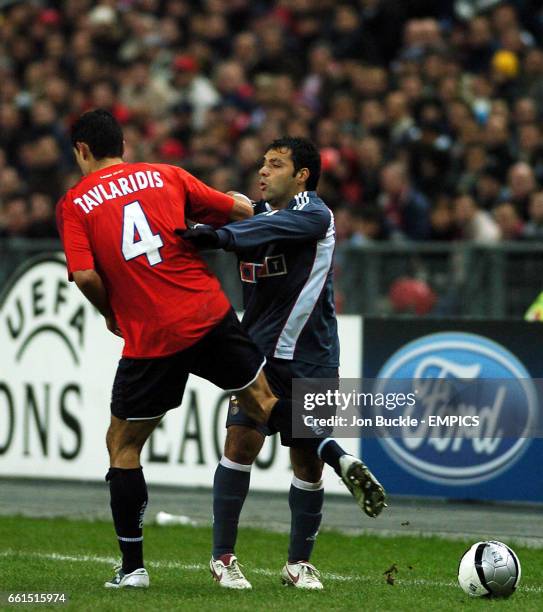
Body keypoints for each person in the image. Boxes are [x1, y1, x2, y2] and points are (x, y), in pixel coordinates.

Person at [56, 109, 285, 590]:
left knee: (123, 446)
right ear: (122, 144)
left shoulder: (76, 203)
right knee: (264, 402)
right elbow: (239, 211)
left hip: (151, 339)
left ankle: (134, 569)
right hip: (206, 315)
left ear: (82, 151)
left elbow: (84, 274)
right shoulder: (166, 175)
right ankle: (332, 452)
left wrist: (108, 313)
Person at [182, 137, 387, 590]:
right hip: (257, 355)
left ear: (302, 176)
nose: (263, 171)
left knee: (304, 462)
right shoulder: (253, 214)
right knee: (240, 444)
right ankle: (223, 558)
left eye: (276, 165)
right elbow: (233, 209)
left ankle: (298, 564)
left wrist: (218, 236)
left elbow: (265, 230)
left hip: (314, 357)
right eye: (262, 163)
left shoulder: (316, 215)